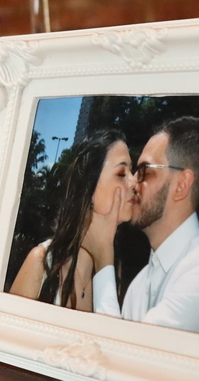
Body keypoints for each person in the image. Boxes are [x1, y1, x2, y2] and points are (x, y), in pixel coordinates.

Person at [85, 116, 199, 339]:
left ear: (181, 185)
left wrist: (103, 256)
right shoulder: (138, 287)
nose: (133, 182)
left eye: (144, 171)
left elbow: (125, 353)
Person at [9, 129, 136, 310]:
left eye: (132, 171)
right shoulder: (42, 264)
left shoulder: (114, 269)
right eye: (122, 173)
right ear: (89, 185)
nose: (134, 182)